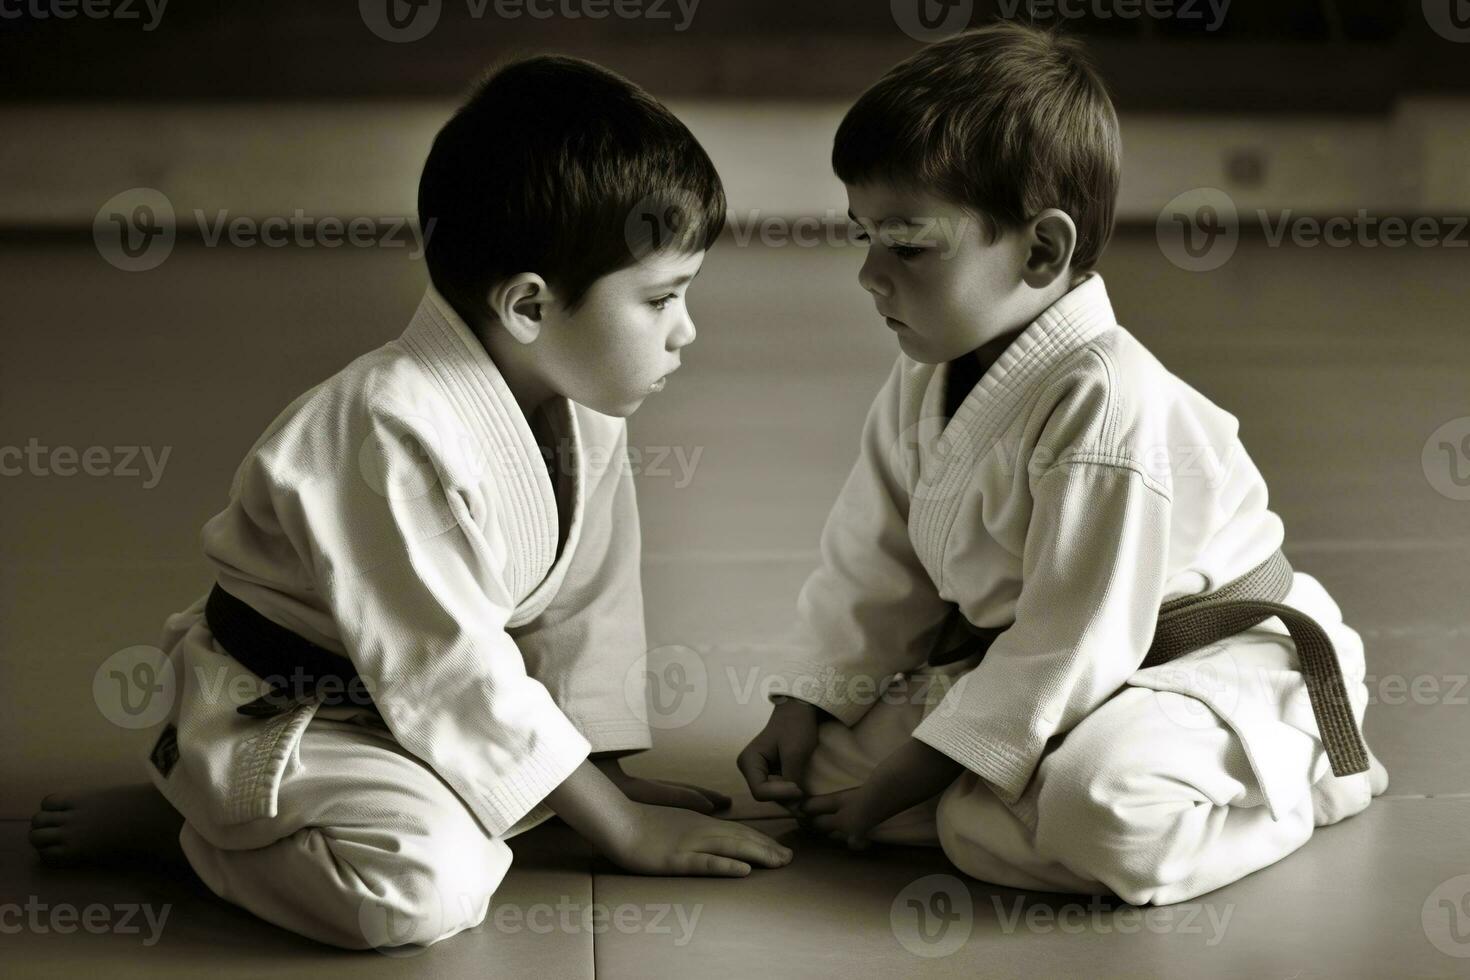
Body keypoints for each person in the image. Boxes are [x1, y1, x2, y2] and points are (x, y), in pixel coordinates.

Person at [30, 54, 790, 951]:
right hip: (293, 711)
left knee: (511, 792)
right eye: (662, 298)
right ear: (529, 307)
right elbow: (449, 667)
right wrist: (621, 832)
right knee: (424, 891)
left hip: (421, 708)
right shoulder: (389, 428)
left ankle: (486, 789)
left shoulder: (581, 402)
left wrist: (603, 773)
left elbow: (589, 600)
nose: (686, 330)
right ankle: (206, 827)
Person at [737, 21, 1388, 907]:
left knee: (1094, 809)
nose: (868, 276)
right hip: (1061, 667)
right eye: (863, 235)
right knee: (826, 779)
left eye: (907, 244)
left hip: (1204, 656)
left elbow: (1071, 638)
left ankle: (1309, 788)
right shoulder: (923, 374)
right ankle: (1001, 797)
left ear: (1042, 249)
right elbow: (875, 562)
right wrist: (806, 704)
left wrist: (924, 775)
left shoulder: (1106, 401)